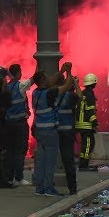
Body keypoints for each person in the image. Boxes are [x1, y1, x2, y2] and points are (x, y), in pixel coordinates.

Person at [31, 62, 73, 196]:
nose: (50, 78)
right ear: (43, 80)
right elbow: (67, 86)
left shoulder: (35, 93)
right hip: (50, 131)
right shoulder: (50, 92)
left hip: (39, 131)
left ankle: (40, 187)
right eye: (46, 77)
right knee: (50, 161)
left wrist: (61, 71)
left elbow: (51, 82)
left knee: (41, 160)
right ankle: (49, 187)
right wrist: (69, 72)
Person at [5, 63, 33, 186]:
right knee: (20, 151)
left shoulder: (6, 87)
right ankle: (19, 177)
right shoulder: (20, 86)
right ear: (17, 73)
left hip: (8, 124)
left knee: (10, 151)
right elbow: (33, 79)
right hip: (20, 124)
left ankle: (9, 177)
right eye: (20, 71)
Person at [54, 74, 82, 195]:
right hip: (66, 132)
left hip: (53, 131)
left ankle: (47, 186)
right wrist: (75, 83)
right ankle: (72, 187)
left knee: (49, 160)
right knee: (68, 160)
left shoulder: (52, 94)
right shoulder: (70, 96)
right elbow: (80, 96)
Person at [75, 73, 99, 171]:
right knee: (88, 144)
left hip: (80, 124)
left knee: (87, 144)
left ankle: (84, 164)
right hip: (86, 125)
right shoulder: (89, 94)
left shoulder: (84, 93)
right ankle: (83, 165)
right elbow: (90, 111)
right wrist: (94, 123)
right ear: (93, 83)